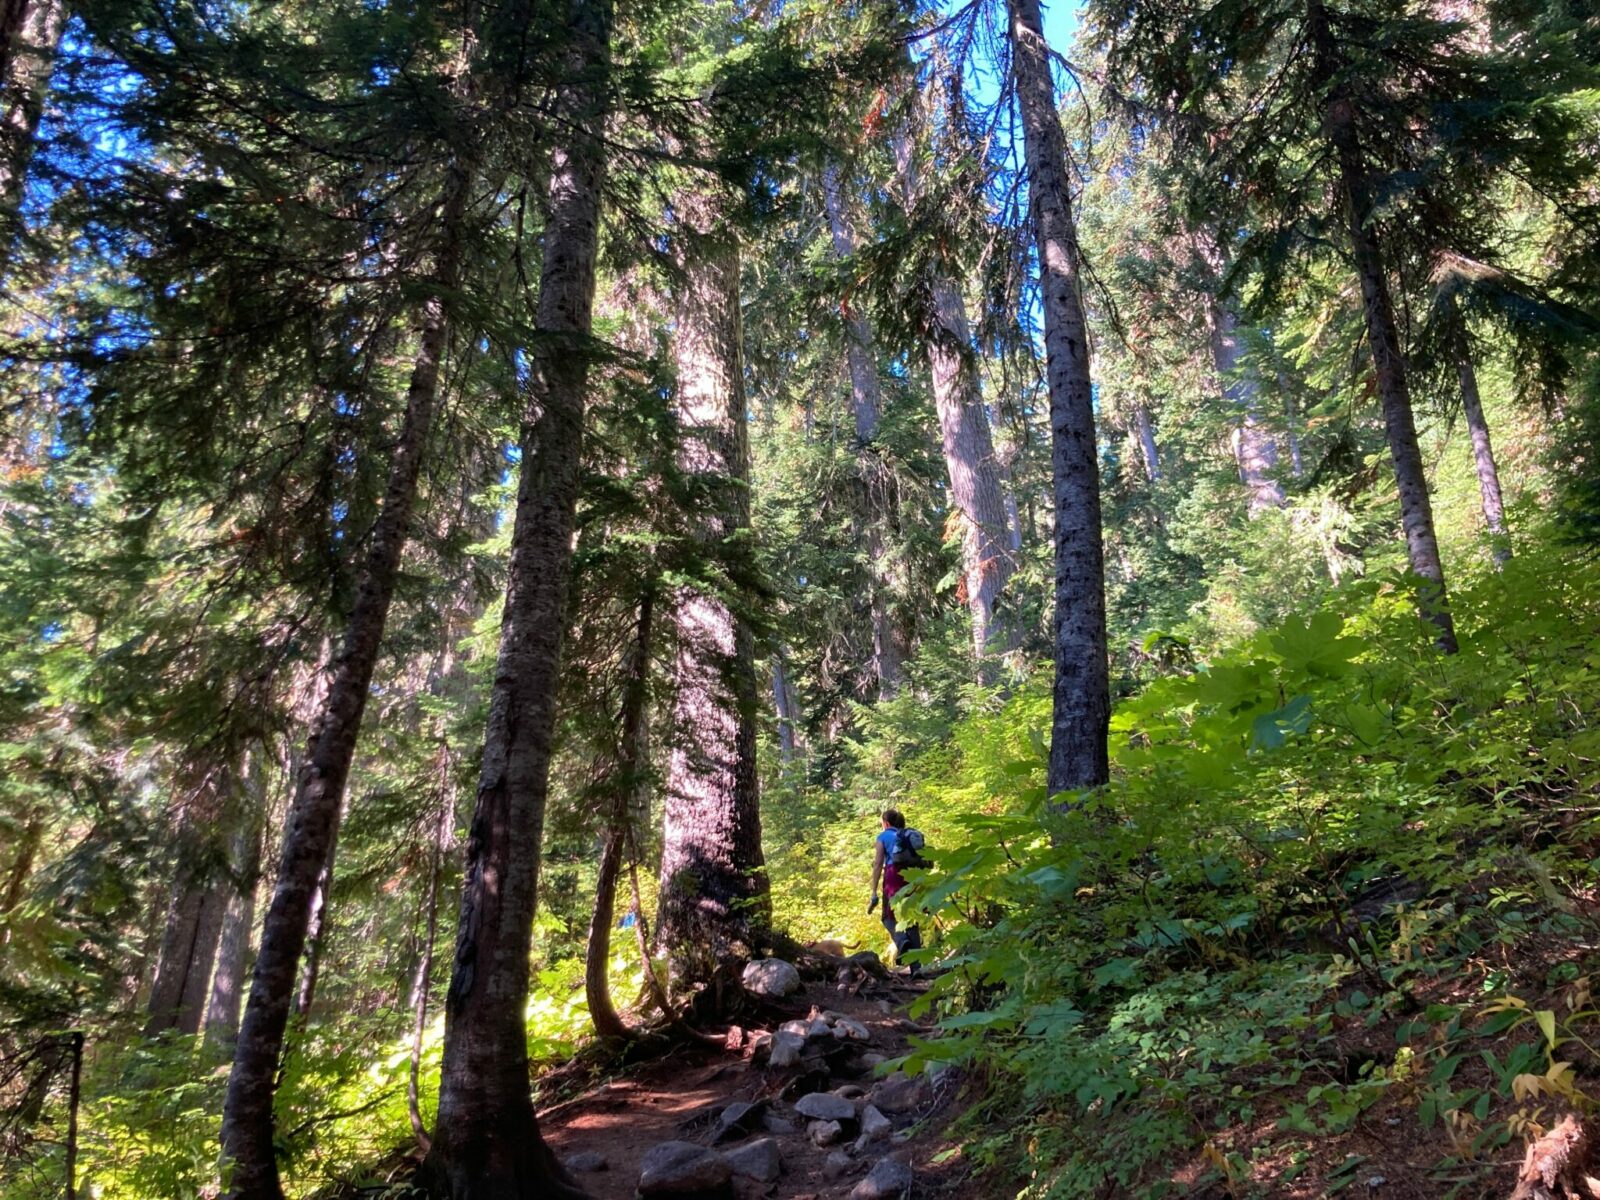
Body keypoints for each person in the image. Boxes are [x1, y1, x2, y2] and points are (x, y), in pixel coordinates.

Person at [869, 808, 922, 973]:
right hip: (912, 876)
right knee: (911, 919)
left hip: (893, 877)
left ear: (886, 823)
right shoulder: (907, 836)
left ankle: (901, 941)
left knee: (887, 918)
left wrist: (873, 892)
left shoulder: (883, 836)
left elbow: (878, 864)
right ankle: (916, 968)